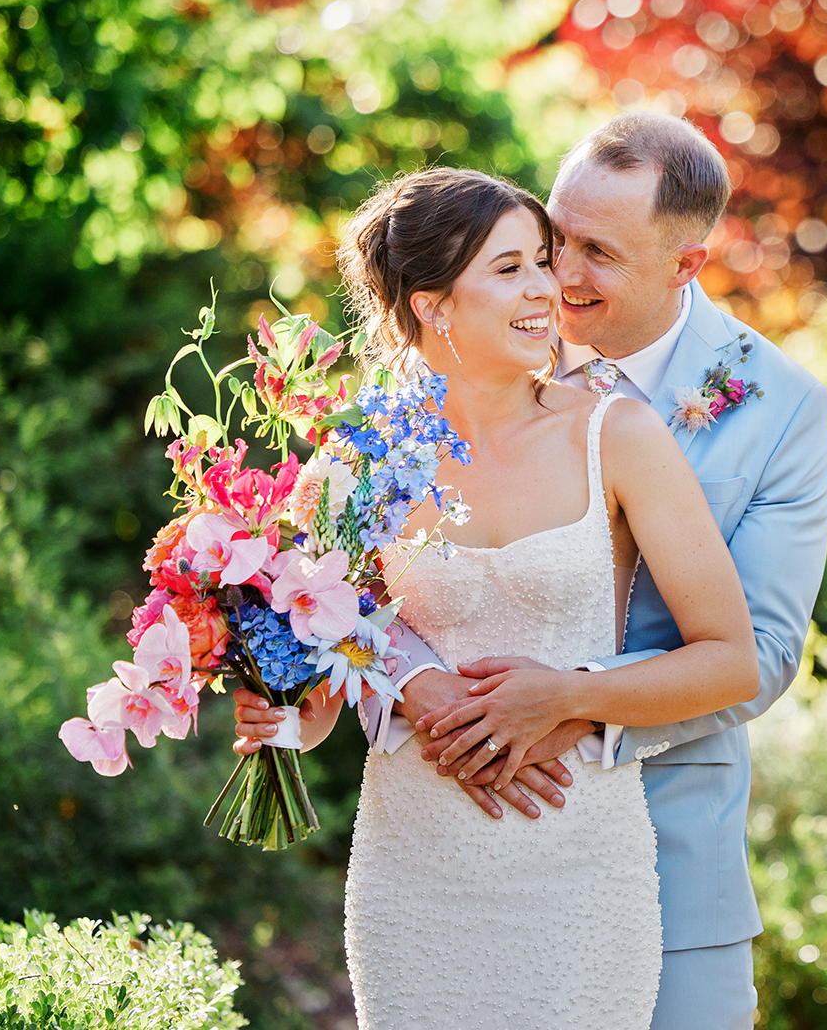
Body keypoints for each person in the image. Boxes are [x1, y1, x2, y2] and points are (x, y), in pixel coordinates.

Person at [232, 165, 761, 1029]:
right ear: (432, 304)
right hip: (417, 874)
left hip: (580, 870)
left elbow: (731, 661)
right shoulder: (350, 468)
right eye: (510, 268)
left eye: (545, 263)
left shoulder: (615, 435)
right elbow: (321, 701)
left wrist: (570, 691)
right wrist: (274, 714)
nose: (548, 290)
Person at [415, 113, 827, 1028]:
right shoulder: (485, 345)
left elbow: (757, 655)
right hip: (467, 845)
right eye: (555, 234)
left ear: (685, 264)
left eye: (597, 252)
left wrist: (569, 698)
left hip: (669, 859)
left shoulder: (779, 408)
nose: (559, 275)